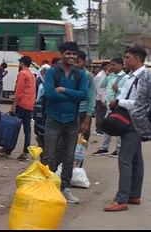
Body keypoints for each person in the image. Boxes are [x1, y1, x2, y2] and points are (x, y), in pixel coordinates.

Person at [41, 42, 88, 204]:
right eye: (68, 53)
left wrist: (64, 90)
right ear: (61, 54)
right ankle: (47, 186)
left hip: (72, 120)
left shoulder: (80, 75)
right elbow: (49, 94)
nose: (72, 57)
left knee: (69, 157)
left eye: (74, 54)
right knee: (49, 155)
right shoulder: (52, 72)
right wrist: (72, 96)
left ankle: (64, 188)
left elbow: (84, 95)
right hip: (53, 119)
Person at [103, 46, 148, 212]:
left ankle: (121, 198)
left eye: (128, 57)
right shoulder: (132, 76)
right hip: (130, 121)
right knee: (136, 160)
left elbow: (140, 103)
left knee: (125, 159)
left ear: (137, 58)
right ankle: (134, 195)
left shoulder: (145, 77)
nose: (126, 61)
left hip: (134, 122)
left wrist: (118, 102)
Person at [0, 56, 36, 161]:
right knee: (27, 130)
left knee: (14, 127)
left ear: (22, 63)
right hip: (30, 105)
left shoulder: (22, 74)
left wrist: (13, 106)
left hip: (21, 104)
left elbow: (19, 92)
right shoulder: (31, 75)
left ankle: (8, 148)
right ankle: (25, 152)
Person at [93, 58, 127, 157]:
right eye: (111, 65)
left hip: (118, 105)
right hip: (109, 106)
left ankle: (118, 149)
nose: (112, 67)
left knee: (119, 127)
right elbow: (103, 85)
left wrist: (118, 89)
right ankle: (104, 148)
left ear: (120, 65)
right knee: (106, 126)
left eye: (114, 65)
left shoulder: (124, 77)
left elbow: (126, 90)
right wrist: (107, 74)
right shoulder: (111, 75)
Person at [74, 51, 96, 143]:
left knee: (81, 142)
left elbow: (91, 98)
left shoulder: (88, 76)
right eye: (73, 62)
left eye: (78, 62)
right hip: (70, 112)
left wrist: (87, 119)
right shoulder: (69, 74)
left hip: (83, 113)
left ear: (84, 62)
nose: (75, 64)